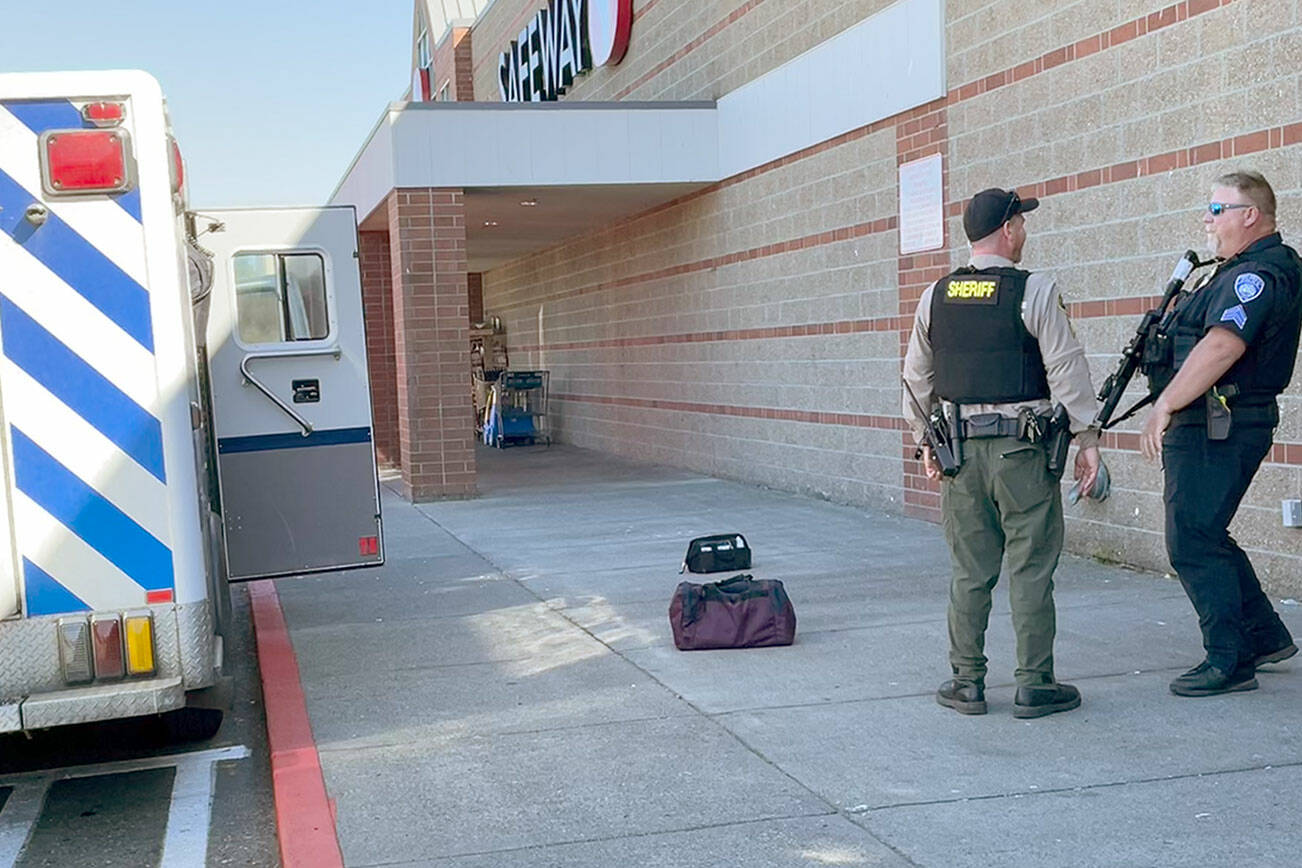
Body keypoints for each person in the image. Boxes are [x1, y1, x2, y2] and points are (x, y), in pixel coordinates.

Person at [903, 187, 1101, 718]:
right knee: (1031, 568)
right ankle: (1035, 683)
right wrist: (1087, 442)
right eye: (1022, 222)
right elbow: (1067, 370)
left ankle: (966, 681)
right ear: (1010, 229)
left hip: (960, 457)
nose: (1025, 232)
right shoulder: (1034, 290)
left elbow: (916, 378)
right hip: (1023, 454)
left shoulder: (935, 295)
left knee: (970, 571)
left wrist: (925, 441)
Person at [1139, 170, 1301, 697]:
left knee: (1191, 538)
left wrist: (1165, 404)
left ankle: (1228, 661)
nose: (1207, 219)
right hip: (1217, 418)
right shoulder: (1236, 269)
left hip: (1219, 421)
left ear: (1249, 215)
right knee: (1206, 532)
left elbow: (1223, 346)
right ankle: (1263, 636)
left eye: (1217, 209)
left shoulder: (1254, 275)